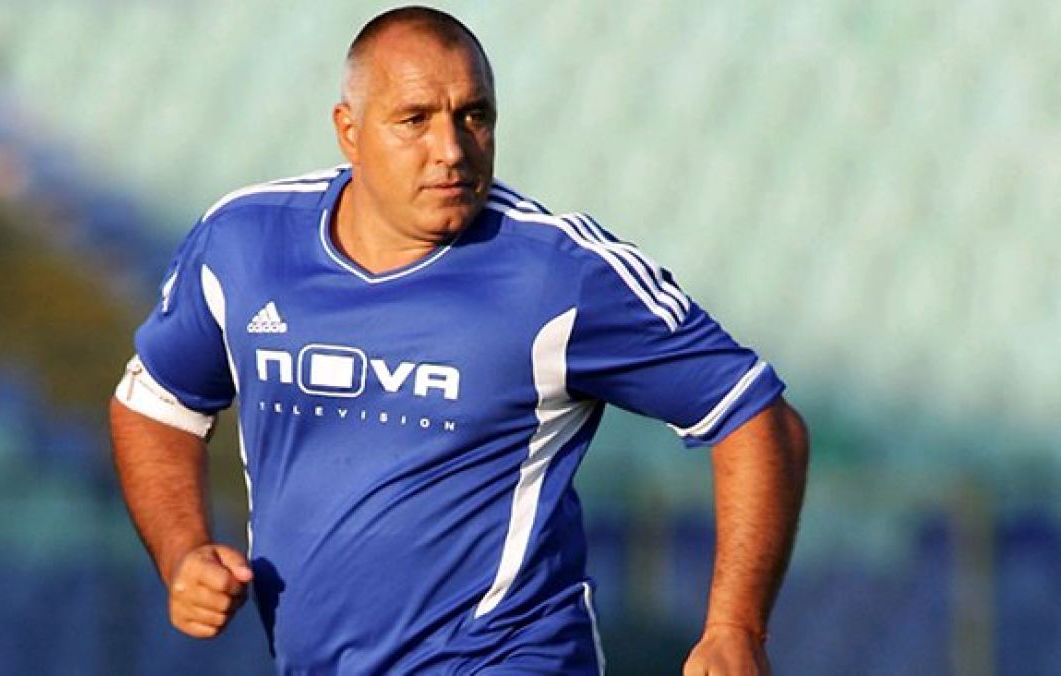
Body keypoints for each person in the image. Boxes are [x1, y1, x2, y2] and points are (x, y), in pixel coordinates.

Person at [109, 6, 808, 675]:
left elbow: (758, 417)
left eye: (474, 116)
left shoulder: (557, 272)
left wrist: (735, 628)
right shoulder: (245, 244)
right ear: (349, 131)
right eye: (415, 120)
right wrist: (182, 552)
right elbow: (156, 406)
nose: (450, 149)